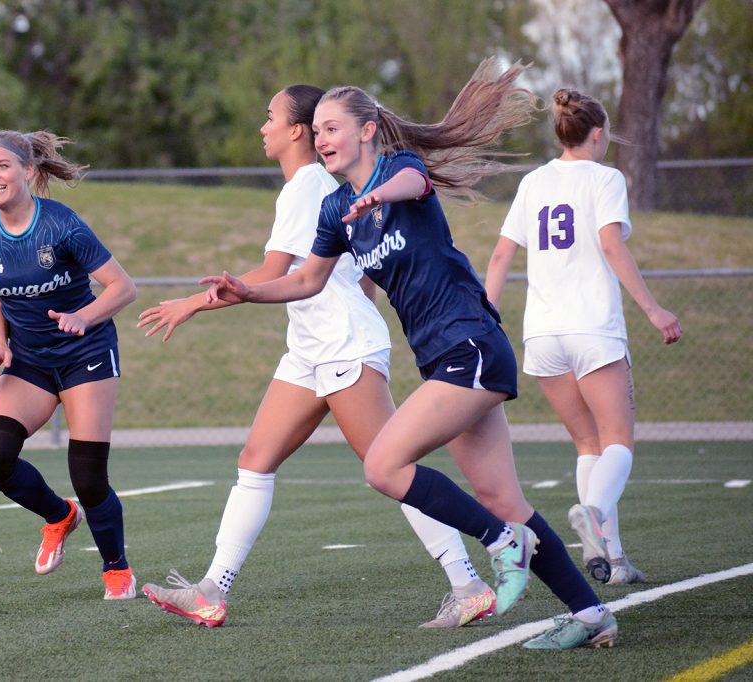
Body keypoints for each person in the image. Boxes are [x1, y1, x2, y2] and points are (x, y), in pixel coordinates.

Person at [203, 59, 619, 650]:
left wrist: (375, 195)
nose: (322, 139)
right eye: (316, 129)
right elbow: (307, 281)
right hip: (444, 358)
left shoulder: (398, 169)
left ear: (367, 130)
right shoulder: (334, 210)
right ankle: (590, 612)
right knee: (503, 499)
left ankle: (503, 544)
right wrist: (249, 292)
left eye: (332, 127)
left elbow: (413, 186)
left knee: (382, 465)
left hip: (471, 344)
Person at [136, 86, 496, 629]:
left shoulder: (306, 187)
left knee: (391, 468)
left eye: (270, 117)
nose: (263, 128)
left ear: (296, 131)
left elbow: (277, 273)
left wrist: (193, 302)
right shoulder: (315, 190)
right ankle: (212, 590)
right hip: (310, 347)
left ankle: (467, 583)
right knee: (254, 461)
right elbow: (343, 270)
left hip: (340, 345)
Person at [485, 88, 682, 586]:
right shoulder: (606, 178)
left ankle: (613, 561)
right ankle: (592, 515)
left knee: (588, 446)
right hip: (592, 328)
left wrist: (488, 311)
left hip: (544, 335)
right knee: (619, 443)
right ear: (597, 134)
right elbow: (611, 245)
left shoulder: (533, 182)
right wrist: (654, 309)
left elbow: (500, 256)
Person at [0, 129, 138, 600]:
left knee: (88, 476)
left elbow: (123, 288)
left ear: (28, 171)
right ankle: (59, 516)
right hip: (31, 362)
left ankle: (116, 569)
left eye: (2, 165)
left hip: (86, 355)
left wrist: (83, 317)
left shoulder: (61, 224)